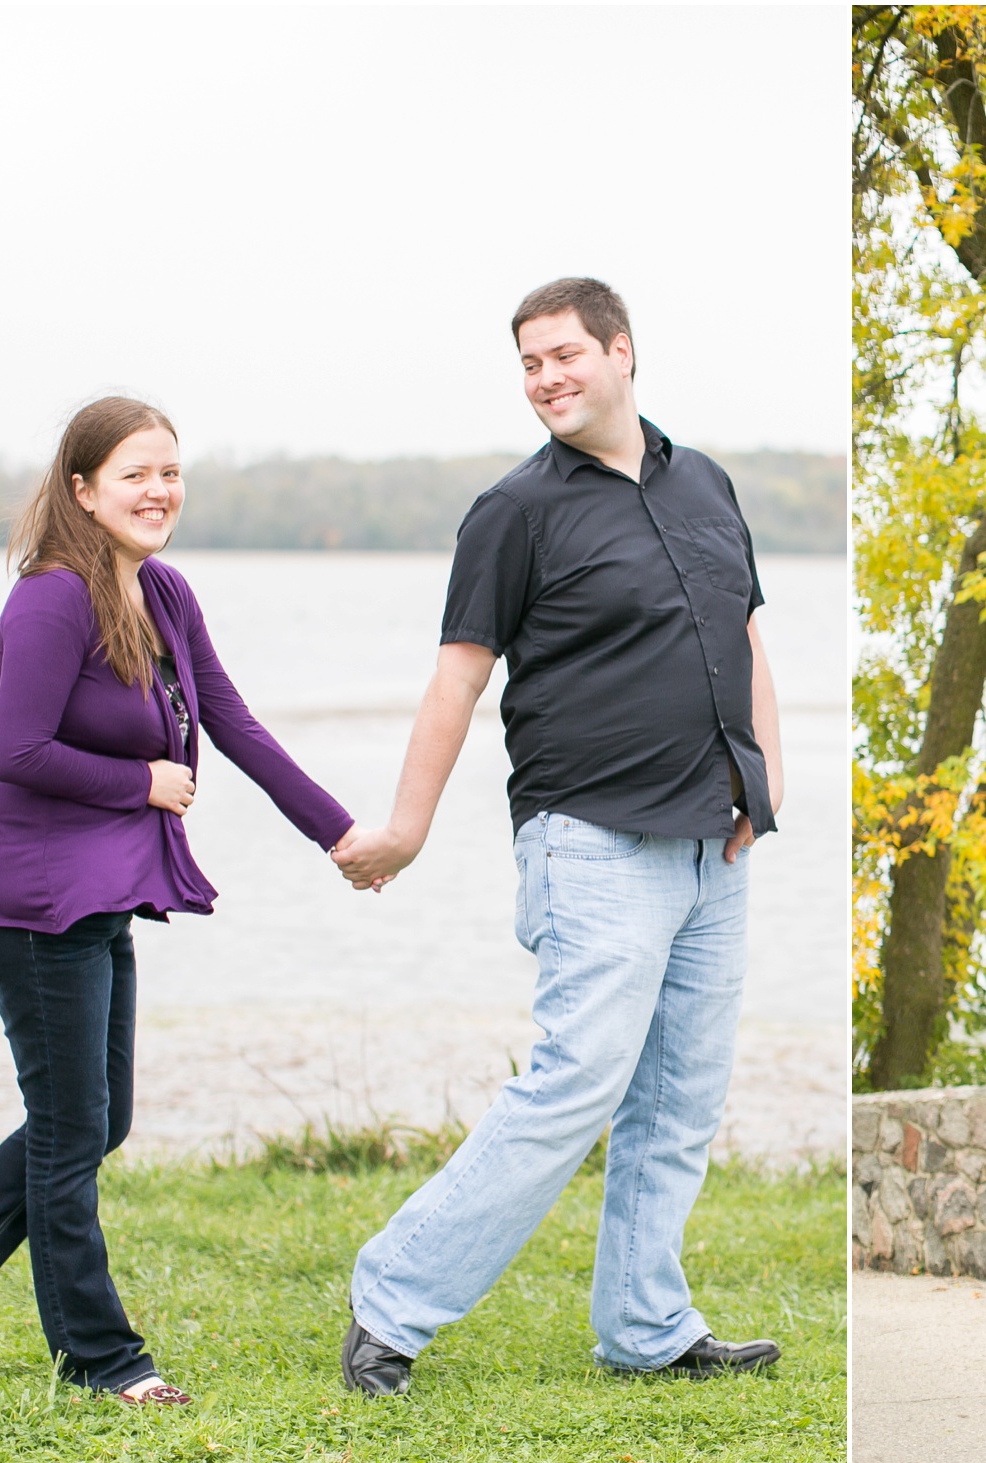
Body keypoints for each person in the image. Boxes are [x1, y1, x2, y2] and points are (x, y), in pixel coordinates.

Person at [330, 277, 785, 1395]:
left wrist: (762, 790)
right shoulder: (514, 512)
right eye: (529, 362)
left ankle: (645, 1323)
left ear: (622, 352)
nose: (546, 377)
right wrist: (405, 826)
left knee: (680, 1093)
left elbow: (747, 638)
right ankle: (391, 1299)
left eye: (565, 354)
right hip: (590, 839)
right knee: (575, 1082)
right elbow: (456, 681)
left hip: (710, 846)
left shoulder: (707, 482)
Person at [0, 397, 356, 1405]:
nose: (159, 489)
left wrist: (339, 832)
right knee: (72, 1125)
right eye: (136, 472)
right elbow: (19, 753)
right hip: (26, 898)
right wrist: (140, 783)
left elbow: (235, 721)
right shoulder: (49, 600)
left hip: (95, 893)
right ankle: (101, 1357)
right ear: (82, 489)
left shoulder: (162, 592)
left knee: (92, 1116)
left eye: (170, 470)